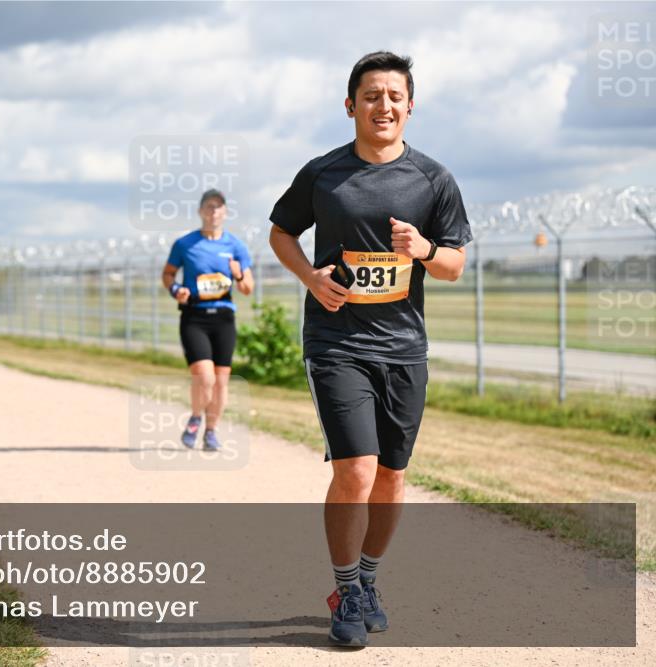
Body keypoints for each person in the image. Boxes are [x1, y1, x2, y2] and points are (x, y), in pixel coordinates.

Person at [268, 51, 472, 647]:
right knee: (355, 469)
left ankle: (369, 579)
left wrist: (425, 250)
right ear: (350, 105)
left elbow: (455, 265)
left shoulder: (433, 179)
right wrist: (311, 278)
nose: (384, 105)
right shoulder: (323, 174)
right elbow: (281, 232)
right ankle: (345, 591)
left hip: (404, 348)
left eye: (394, 96)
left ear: (410, 106)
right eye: (371, 95)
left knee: (390, 476)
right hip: (336, 342)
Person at [161, 189, 254, 451]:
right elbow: (168, 274)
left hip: (223, 317)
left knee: (221, 381)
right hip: (195, 316)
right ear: (201, 211)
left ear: (225, 212)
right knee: (205, 377)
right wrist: (175, 290)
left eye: (218, 207)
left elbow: (248, 288)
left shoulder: (235, 246)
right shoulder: (185, 244)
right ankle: (195, 417)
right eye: (209, 207)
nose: (213, 212)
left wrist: (238, 274)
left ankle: (211, 431)